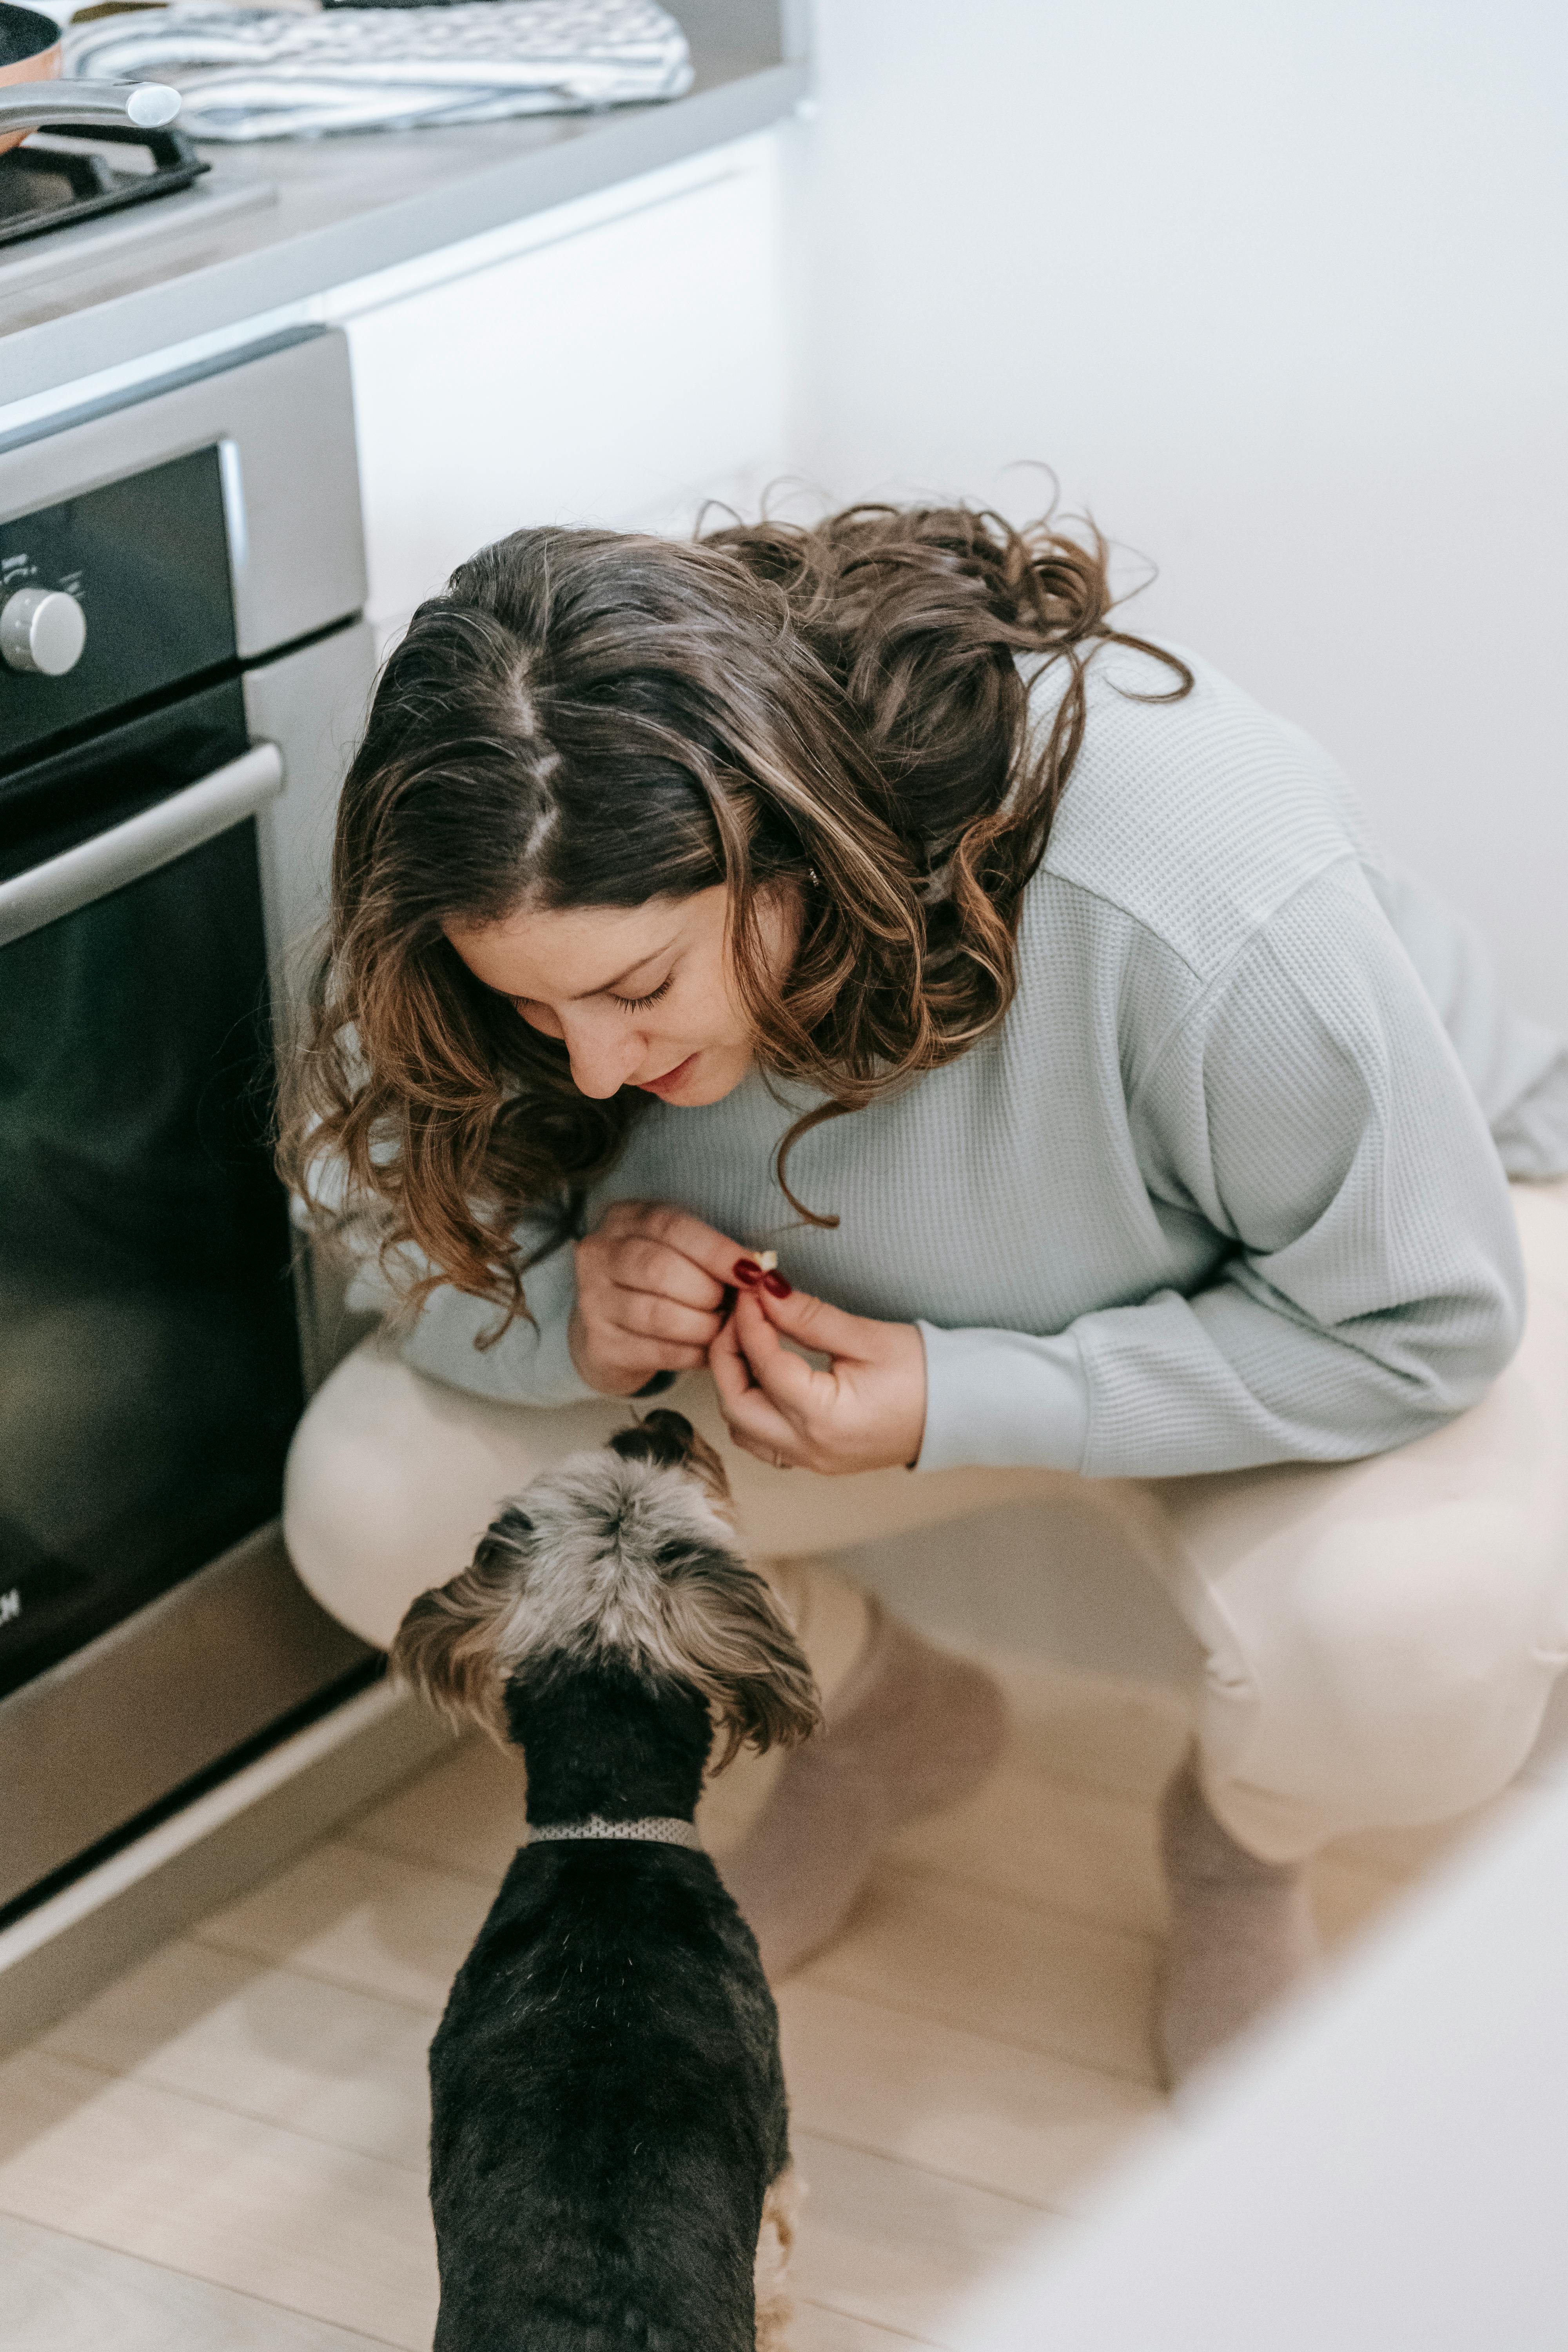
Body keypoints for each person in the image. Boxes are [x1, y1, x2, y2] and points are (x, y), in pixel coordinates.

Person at [281, 505, 1568, 2085]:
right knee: (371, 1505)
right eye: (532, 1014)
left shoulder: (1205, 889)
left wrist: (962, 1398)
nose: (600, 1068)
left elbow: (1420, 1322)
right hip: (832, 1346)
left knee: (1412, 1647)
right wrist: (565, 1312)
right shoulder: (506, 831)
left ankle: (1243, 1843)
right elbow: (371, 1189)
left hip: (1331, 1296)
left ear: (789, 846)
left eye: (636, 993)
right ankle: (882, 1717)